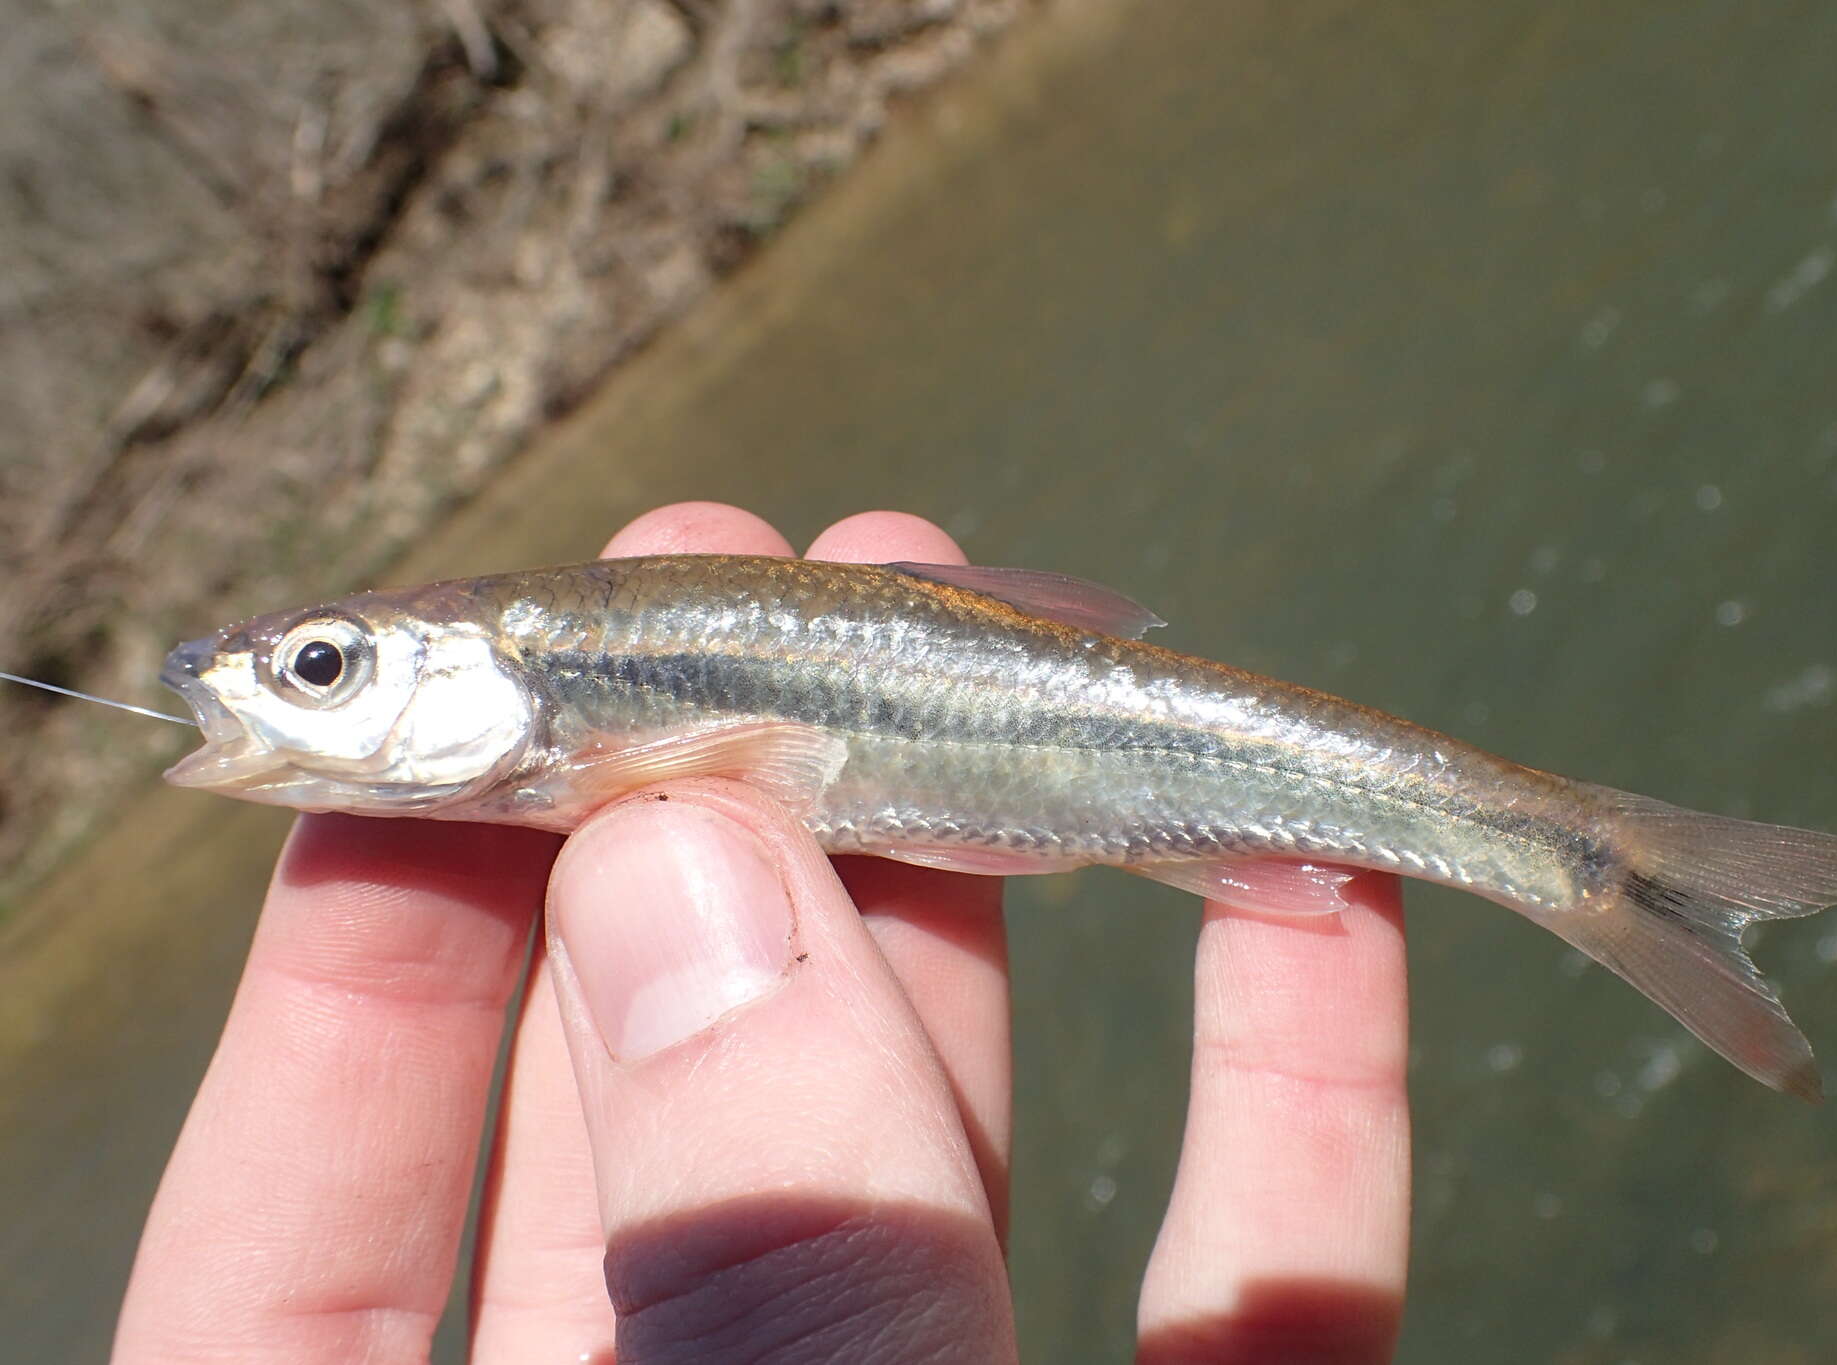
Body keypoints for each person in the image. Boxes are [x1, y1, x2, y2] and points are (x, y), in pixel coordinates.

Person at [109, 503, 1411, 1363]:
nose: (278, 693)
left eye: (323, 665)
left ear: (497, 667)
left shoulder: (577, 677)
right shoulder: (560, 686)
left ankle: (1559, 848)